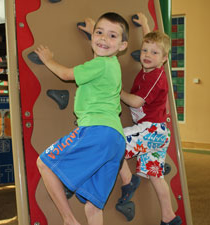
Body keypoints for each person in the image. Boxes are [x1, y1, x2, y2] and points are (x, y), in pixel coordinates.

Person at [35, 12, 129, 225]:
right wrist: (93, 33)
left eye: (112, 36)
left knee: (45, 163)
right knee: (94, 205)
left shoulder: (101, 64)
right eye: (99, 33)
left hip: (97, 130)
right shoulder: (112, 64)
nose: (104, 39)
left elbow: (68, 74)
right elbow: (103, 46)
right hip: (115, 140)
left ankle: (69, 220)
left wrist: (49, 60)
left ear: (123, 46)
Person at [117, 13, 182, 225]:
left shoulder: (156, 76)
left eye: (154, 53)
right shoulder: (151, 65)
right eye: (145, 50)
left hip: (151, 130)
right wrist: (145, 25)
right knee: (156, 176)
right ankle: (169, 217)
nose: (147, 55)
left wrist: (117, 91)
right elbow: (153, 42)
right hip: (157, 135)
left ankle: (129, 180)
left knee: (113, 142)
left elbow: (136, 102)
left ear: (164, 59)